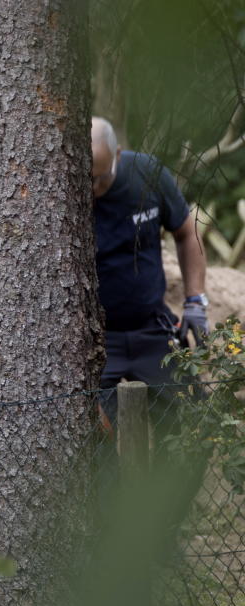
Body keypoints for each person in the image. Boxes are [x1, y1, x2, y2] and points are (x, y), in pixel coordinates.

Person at [91, 116, 208, 424]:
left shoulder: (147, 173)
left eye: (100, 177)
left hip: (152, 328)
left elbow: (187, 232)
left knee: (195, 422)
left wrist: (195, 301)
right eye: (85, 178)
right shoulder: (57, 193)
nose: (93, 188)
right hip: (93, 341)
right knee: (96, 439)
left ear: (117, 156)